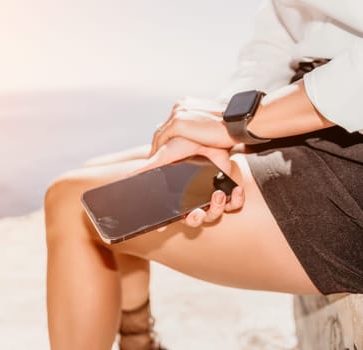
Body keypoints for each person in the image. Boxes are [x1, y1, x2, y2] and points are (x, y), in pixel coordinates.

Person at [44, 0, 363, 349]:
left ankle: (140, 342)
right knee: (98, 180)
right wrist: (222, 124)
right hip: (306, 112)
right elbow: (278, 35)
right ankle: (140, 342)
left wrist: (245, 125)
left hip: (345, 138)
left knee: (72, 205)